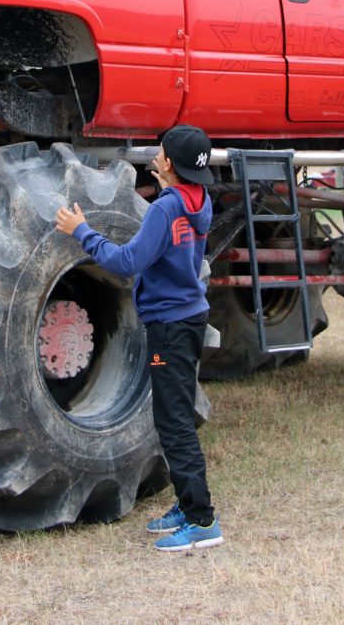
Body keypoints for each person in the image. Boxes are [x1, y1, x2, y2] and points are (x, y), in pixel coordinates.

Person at [55, 125, 223, 552]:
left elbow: (126, 261)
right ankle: (187, 508)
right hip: (187, 318)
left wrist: (81, 230)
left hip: (169, 325)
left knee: (174, 423)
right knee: (174, 416)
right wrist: (168, 179)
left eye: (161, 153)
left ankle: (202, 521)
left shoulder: (166, 209)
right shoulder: (198, 200)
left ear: (167, 162)